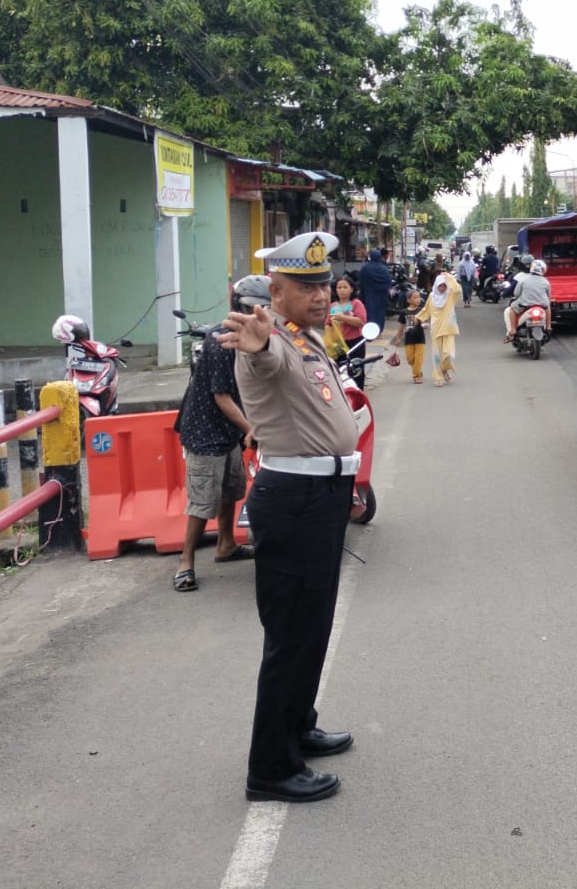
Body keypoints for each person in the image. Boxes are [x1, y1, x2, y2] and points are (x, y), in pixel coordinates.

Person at [216, 231, 360, 805]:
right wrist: (258, 341)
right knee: (291, 636)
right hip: (295, 502)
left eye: (323, 283)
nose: (320, 294)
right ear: (274, 291)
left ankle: (298, 725)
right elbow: (265, 359)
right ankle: (271, 767)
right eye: (305, 286)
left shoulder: (305, 337)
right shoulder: (268, 341)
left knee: (313, 627)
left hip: (320, 498)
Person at [170, 275, 263, 591]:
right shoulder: (220, 343)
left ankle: (226, 545)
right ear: (241, 307)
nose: (260, 315)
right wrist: (250, 427)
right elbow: (221, 396)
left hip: (229, 430)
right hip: (205, 430)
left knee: (231, 490)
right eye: (255, 308)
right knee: (202, 500)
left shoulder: (257, 339)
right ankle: (186, 562)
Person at [417, 271, 462, 386]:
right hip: (436, 329)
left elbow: (457, 290)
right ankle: (438, 376)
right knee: (436, 355)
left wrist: (448, 277)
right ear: (436, 285)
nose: (442, 288)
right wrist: (416, 319)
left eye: (444, 285)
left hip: (448, 329)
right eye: (440, 285)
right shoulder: (432, 297)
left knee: (448, 354)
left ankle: (444, 369)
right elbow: (426, 310)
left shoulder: (450, 296)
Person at [325, 277, 368, 385]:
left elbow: (361, 321)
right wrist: (328, 340)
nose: (342, 290)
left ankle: (358, 395)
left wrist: (343, 318)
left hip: (355, 343)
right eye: (339, 287)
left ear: (351, 289)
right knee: (338, 370)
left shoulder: (356, 304)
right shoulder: (333, 306)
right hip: (337, 344)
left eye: (345, 287)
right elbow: (327, 324)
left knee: (356, 370)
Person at [504, 257, 553, 342]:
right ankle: (548, 327)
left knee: (511, 309)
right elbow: (548, 295)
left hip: (525, 306)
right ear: (543, 270)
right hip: (541, 306)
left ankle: (513, 330)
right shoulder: (545, 281)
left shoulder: (523, 279)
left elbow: (516, 294)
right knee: (548, 308)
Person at [389, 288, 427, 384]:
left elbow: (424, 322)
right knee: (410, 359)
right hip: (409, 339)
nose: (418, 299)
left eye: (419, 297)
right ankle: (417, 370)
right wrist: (398, 338)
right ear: (408, 300)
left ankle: (416, 376)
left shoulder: (421, 310)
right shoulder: (404, 312)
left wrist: (424, 323)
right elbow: (401, 327)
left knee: (419, 357)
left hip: (420, 338)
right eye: (415, 298)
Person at [355, 248, 392, 339]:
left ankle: (369, 333)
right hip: (381, 294)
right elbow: (388, 281)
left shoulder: (365, 267)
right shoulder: (383, 268)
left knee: (369, 313)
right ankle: (379, 333)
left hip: (368, 294)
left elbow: (361, 280)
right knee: (380, 313)